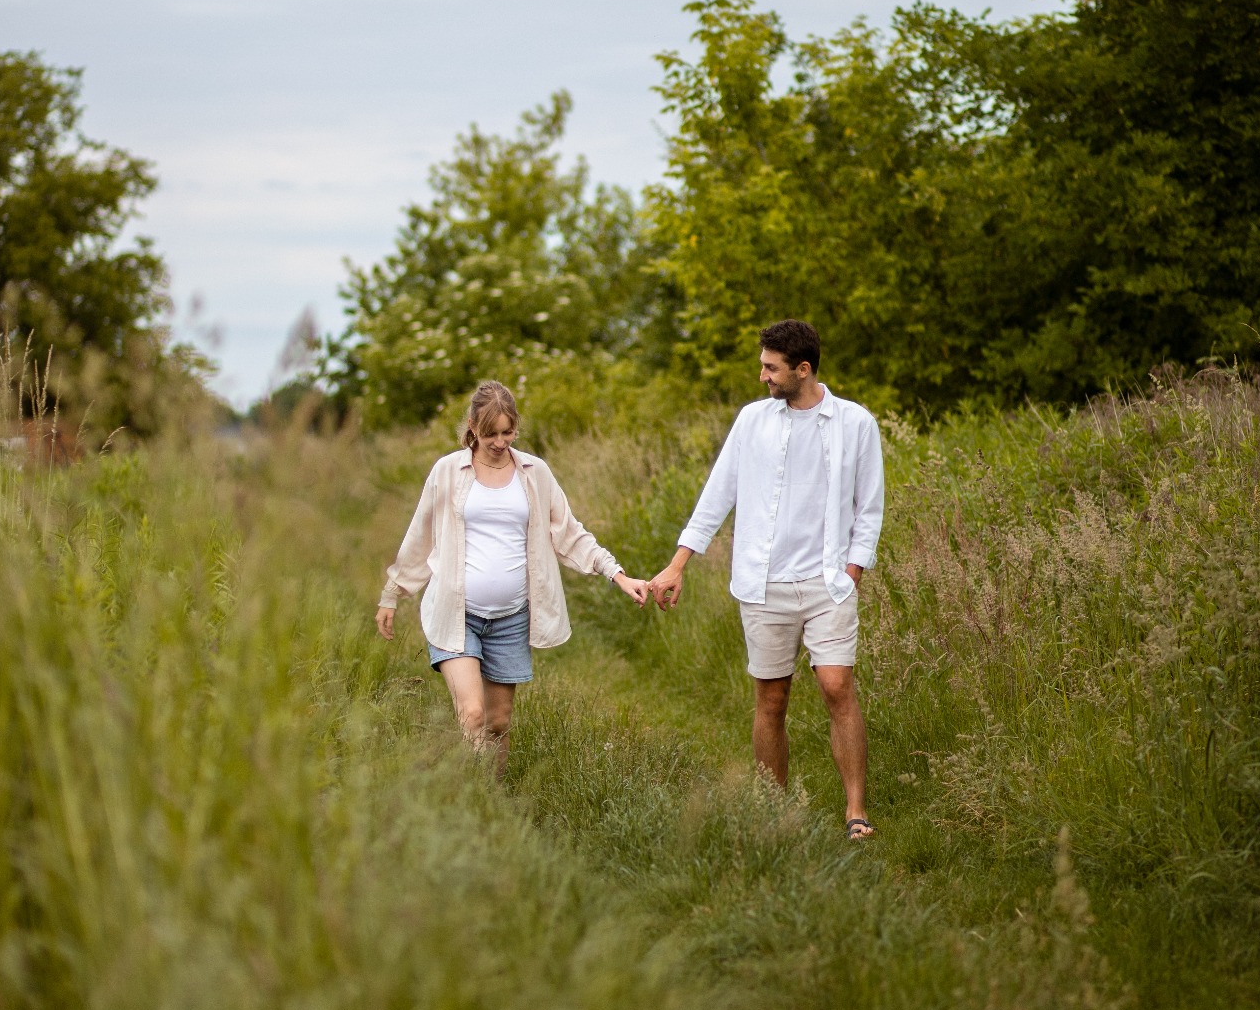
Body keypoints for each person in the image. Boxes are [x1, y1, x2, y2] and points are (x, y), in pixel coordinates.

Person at [648, 320, 884, 838]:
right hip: (763, 585)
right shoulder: (752, 421)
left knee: (836, 685)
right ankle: (773, 815)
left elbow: (869, 507)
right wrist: (678, 563)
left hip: (829, 582)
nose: (762, 376)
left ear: (803, 370)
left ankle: (856, 811)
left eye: (771, 367)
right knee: (772, 697)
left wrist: (852, 571)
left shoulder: (855, 423)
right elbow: (717, 495)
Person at [376, 379, 649, 771]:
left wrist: (619, 575)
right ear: (472, 426)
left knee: (498, 722)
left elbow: (569, 532)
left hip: (511, 618)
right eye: (490, 434)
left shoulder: (534, 473)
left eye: (507, 432)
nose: (500, 442)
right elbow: (420, 533)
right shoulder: (448, 471)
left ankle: (494, 805)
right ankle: (476, 801)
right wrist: (393, 592)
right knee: (471, 715)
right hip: (457, 614)